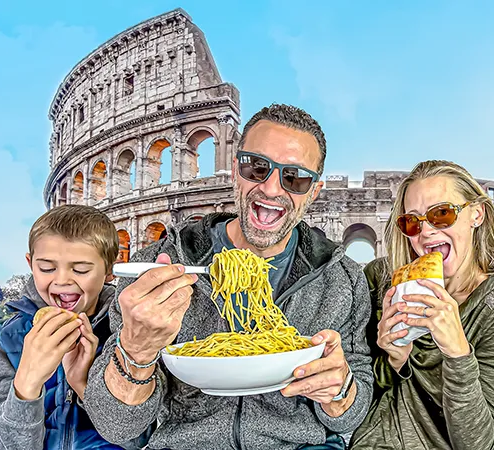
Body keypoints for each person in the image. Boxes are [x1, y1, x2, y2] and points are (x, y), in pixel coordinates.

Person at [83, 104, 373, 450]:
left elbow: (351, 413)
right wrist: (136, 349)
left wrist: (340, 392)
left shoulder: (343, 279)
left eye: (294, 177)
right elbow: (115, 425)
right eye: (257, 167)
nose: (270, 188)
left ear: (313, 191)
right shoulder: (157, 268)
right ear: (236, 169)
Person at [350, 160, 494, 450]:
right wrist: (393, 361)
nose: (426, 232)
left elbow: (478, 443)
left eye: (441, 214)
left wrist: (457, 352)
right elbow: (354, 397)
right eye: (412, 221)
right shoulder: (380, 278)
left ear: (476, 214)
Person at [0, 205, 128, 449]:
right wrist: (27, 381)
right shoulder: (4, 341)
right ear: (30, 264)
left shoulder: (129, 334)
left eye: (81, 269)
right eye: (47, 268)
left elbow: (137, 439)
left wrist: (83, 383)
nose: (61, 280)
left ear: (110, 270)